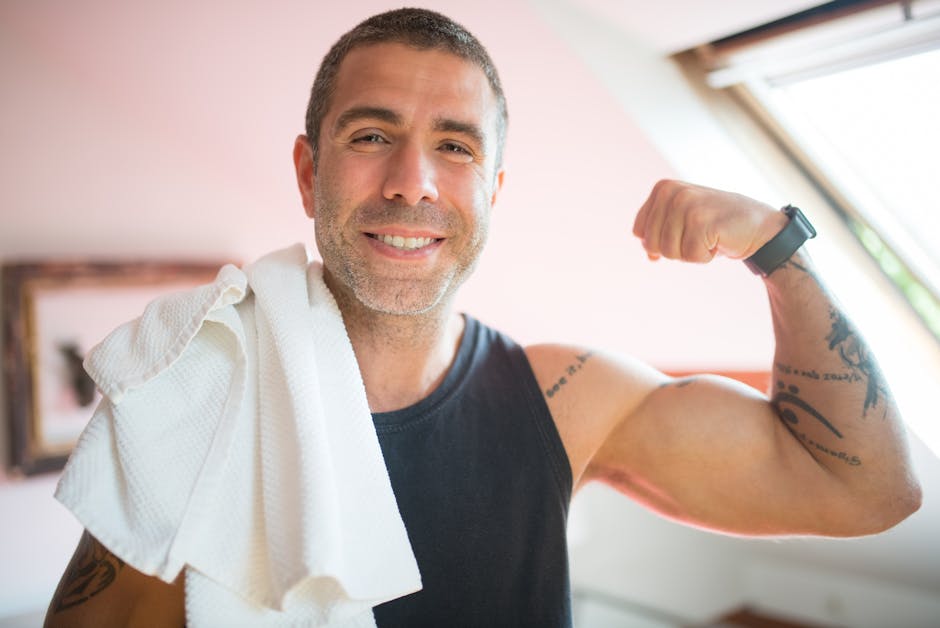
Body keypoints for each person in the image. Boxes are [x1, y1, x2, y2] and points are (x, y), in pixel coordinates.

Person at [44, 7, 921, 628]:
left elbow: (867, 489)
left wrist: (778, 247)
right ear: (310, 174)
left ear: (493, 192)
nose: (412, 183)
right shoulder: (202, 399)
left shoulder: (569, 401)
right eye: (371, 136)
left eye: (455, 146)